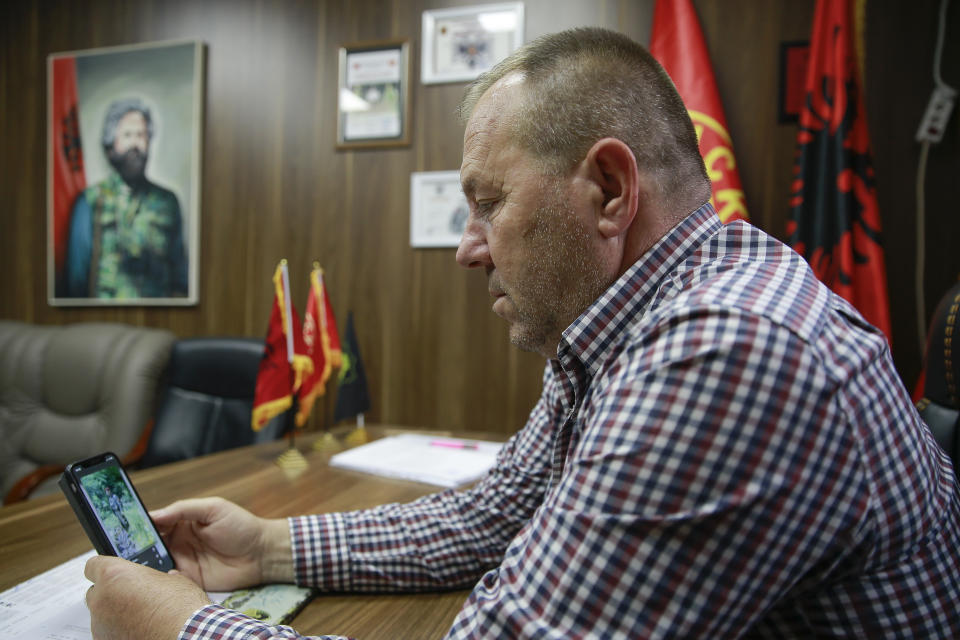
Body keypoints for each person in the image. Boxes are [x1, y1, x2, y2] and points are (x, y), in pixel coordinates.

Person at [84, 27, 960, 639]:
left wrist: (184, 629)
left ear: (610, 191)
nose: (468, 250)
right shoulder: (633, 319)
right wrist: (271, 546)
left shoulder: (726, 349)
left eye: (488, 202)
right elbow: (499, 514)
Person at [65, 97, 188, 299]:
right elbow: (76, 280)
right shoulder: (90, 201)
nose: (135, 143)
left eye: (141, 135)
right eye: (127, 135)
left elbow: (180, 276)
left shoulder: (168, 201)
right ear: (111, 146)